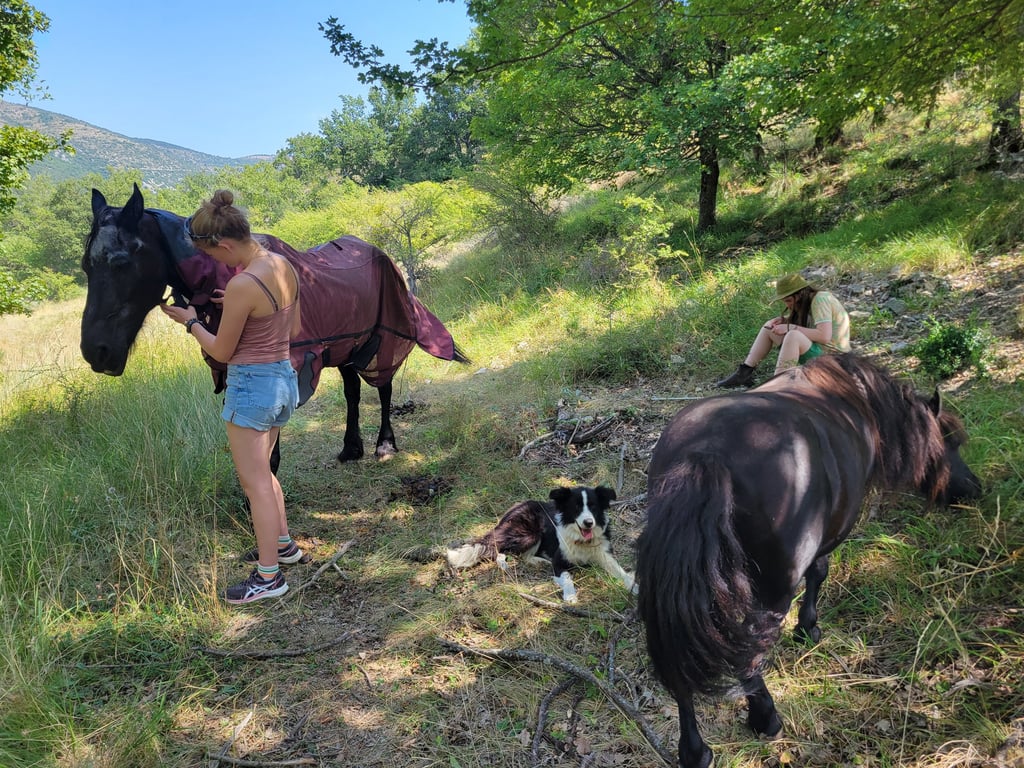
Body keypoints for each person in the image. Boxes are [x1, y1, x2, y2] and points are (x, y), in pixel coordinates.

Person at [161, 190, 304, 604]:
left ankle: (268, 578)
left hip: (251, 385)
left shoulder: (243, 283)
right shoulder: (281, 265)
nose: (217, 266)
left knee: (253, 481)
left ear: (224, 244)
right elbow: (287, 327)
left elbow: (221, 352)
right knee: (265, 473)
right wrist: (239, 305)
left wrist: (190, 322)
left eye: (214, 256)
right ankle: (283, 546)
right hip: (282, 379)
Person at [714, 272, 851, 388]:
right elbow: (810, 324)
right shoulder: (809, 301)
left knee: (793, 336)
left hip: (835, 361)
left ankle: (779, 386)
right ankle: (744, 373)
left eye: (788, 300)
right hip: (819, 353)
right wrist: (786, 320)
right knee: (770, 326)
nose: (787, 305)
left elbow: (824, 336)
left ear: (799, 295)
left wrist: (790, 326)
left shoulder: (820, 299)